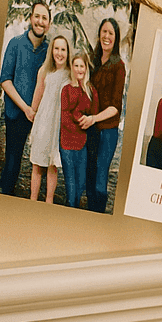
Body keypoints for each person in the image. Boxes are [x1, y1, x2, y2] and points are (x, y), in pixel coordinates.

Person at [0, 0, 50, 195]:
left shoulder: (50, 51)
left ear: (49, 23)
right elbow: (5, 80)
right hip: (16, 112)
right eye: (37, 16)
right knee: (14, 157)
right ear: (30, 18)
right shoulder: (16, 43)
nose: (40, 21)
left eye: (44, 18)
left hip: (39, 115)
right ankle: (5, 193)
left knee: (39, 161)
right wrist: (25, 108)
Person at [81, 17, 127, 213]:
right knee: (89, 175)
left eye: (111, 33)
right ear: (99, 34)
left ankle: (98, 214)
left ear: (116, 38)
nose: (106, 36)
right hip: (90, 128)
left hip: (107, 131)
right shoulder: (92, 60)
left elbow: (115, 107)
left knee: (100, 178)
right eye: (104, 32)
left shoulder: (119, 66)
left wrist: (94, 118)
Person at [26, 34, 71, 203]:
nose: (59, 53)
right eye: (56, 49)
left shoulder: (70, 74)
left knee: (52, 165)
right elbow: (38, 94)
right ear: (52, 51)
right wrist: (32, 111)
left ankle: (49, 201)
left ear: (68, 52)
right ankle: (33, 199)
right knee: (37, 163)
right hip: (44, 121)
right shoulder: (44, 71)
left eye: (63, 49)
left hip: (58, 124)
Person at [58, 54, 95, 208]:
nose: (79, 69)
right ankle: (70, 209)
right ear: (72, 68)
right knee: (71, 185)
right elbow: (65, 117)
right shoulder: (66, 89)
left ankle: (75, 209)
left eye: (82, 66)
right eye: (76, 66)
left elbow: (94, 111)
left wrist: (85, 119)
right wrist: (80, 124)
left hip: (82, 143)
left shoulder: (90, 90)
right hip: (67, 142)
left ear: (86, 68)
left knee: (80, 184)